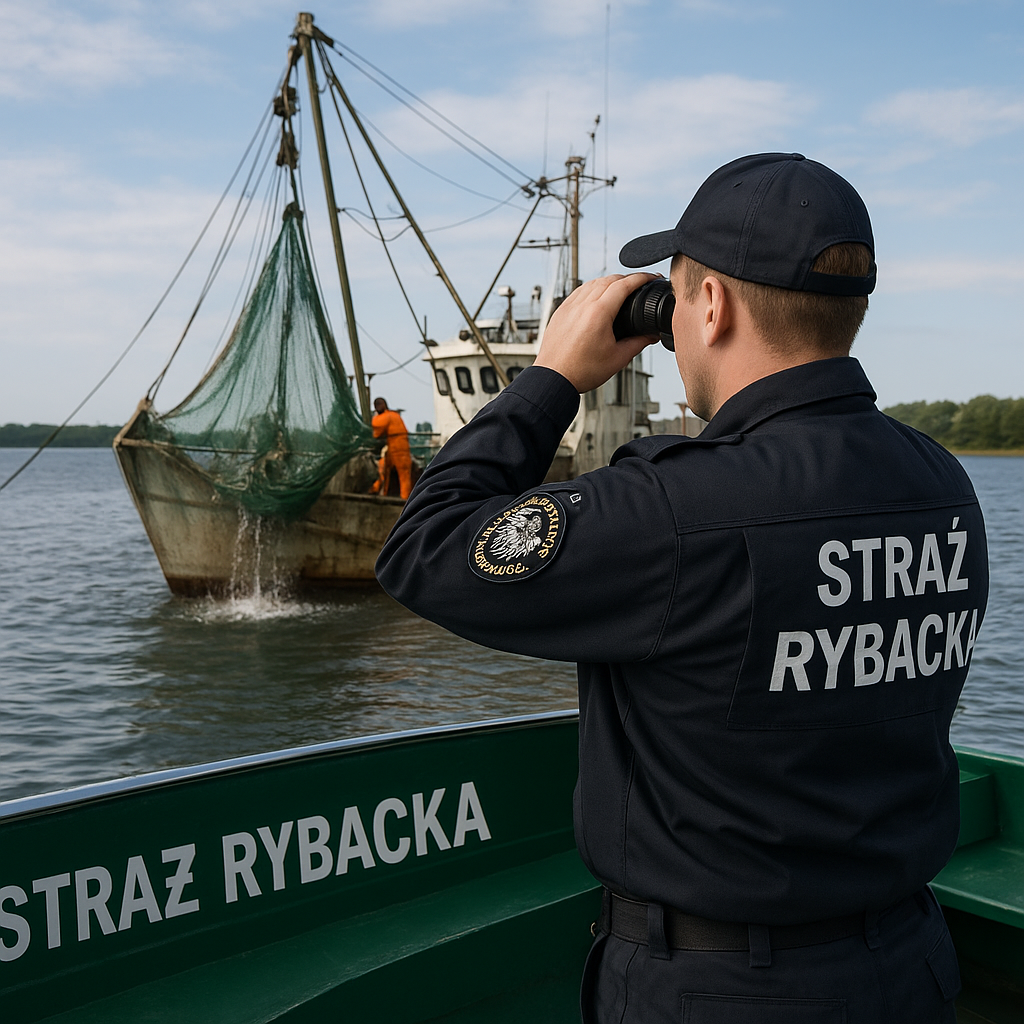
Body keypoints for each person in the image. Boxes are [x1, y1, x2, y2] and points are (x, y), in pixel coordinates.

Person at [376, 153, 988, 1023]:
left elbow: (423, 549)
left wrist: (550, 379)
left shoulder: (674, 507)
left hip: (721, 991)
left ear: (709, 305)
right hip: (907, 968)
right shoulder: (941, 484)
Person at [370, 397, 413, 500]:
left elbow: (376, 433)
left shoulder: (384, 417)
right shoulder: (395, 415)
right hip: (400, 448)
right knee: (398, 472)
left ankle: (403, 498)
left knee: (396, 472)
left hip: (397, 449)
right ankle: (403, 498)